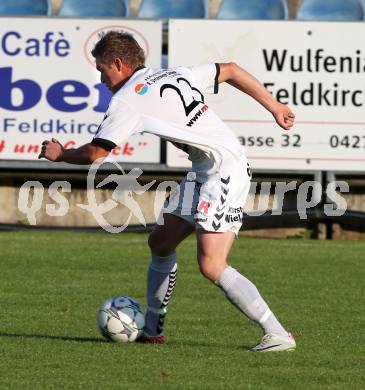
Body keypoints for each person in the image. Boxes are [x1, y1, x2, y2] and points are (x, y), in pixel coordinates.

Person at [39, 31, 296, 352]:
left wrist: (60, 154)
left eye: (102, 68)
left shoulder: (127, 100)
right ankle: (154, 329)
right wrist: (274, 106)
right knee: (161, 242)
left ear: (118, 63)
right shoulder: (170, 73)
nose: (101, 78)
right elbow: (229, 69)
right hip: (206, 169)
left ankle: (277, 334)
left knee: (212, 264)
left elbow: (95, 154)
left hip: (223, 171)